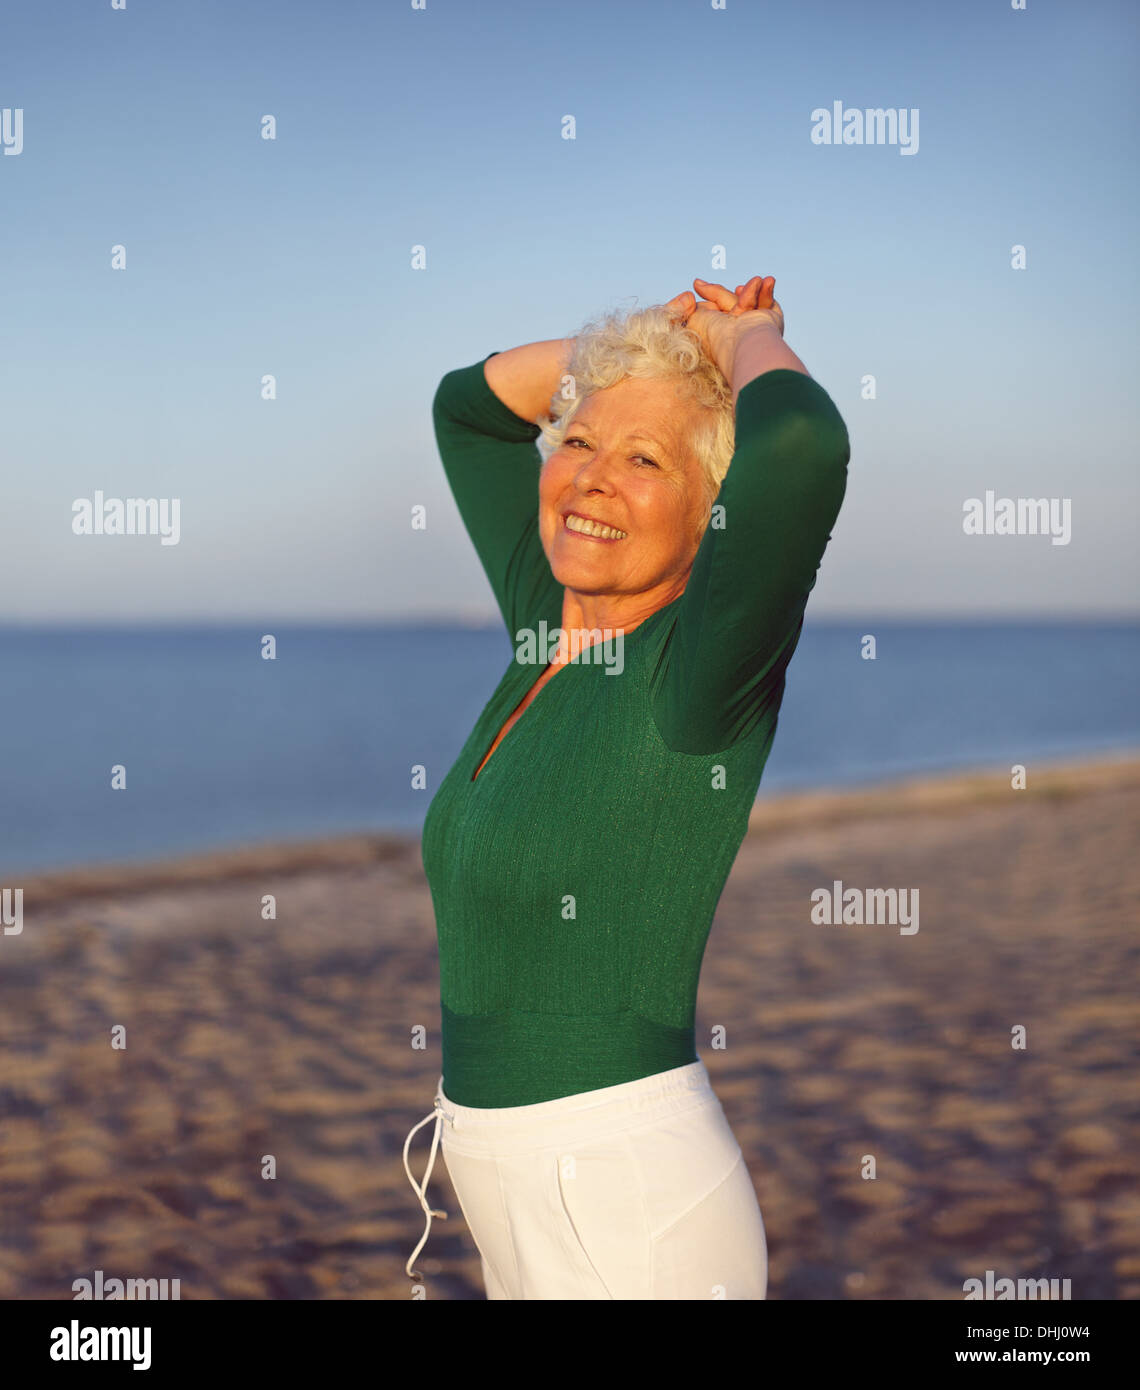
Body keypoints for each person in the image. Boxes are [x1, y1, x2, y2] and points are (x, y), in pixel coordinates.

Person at [402, 275, 850, 1299]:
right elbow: (465, 410)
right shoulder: (544, 618)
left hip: (630, 1210)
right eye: (579, 443)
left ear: (710, 518)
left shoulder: (696, 679)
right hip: (510, 1196)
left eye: (645, 460)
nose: (593, 478)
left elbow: (801, 444)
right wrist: (649, 347)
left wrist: (740, 338)